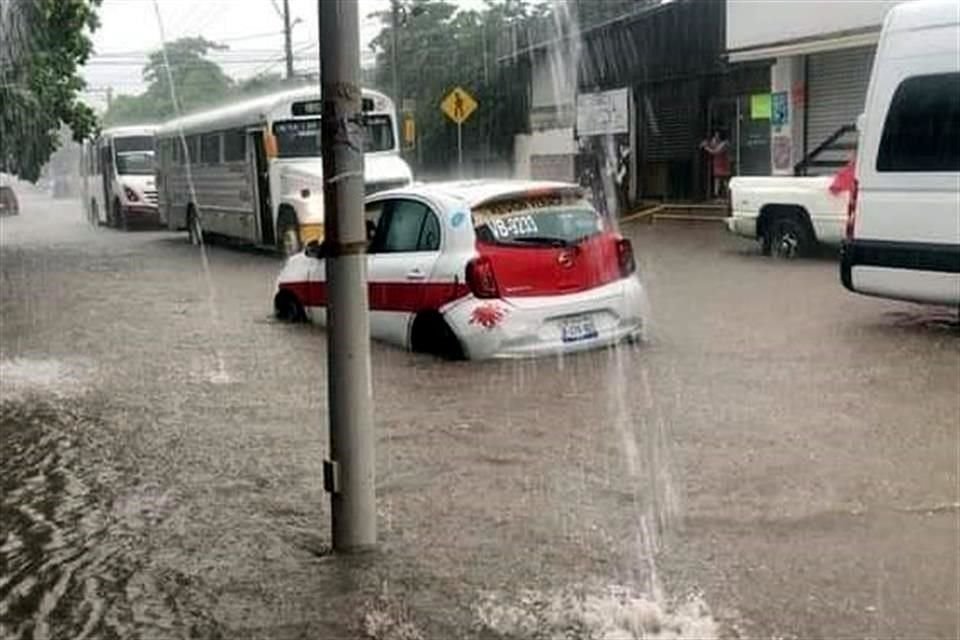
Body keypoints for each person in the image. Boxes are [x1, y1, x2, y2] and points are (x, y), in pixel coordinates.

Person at [700, 130, 731, 200]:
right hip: (718, 163)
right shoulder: (717, 142)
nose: (715, 137)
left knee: (725, 180)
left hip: (723, 163)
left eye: (717, 135)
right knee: (717, 179)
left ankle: (727, 195)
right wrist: (706, 143)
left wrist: (706, 148)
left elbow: (716, 152)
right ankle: (717, 195)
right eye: (715, 135)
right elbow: (711, 145)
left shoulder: (725, 143)